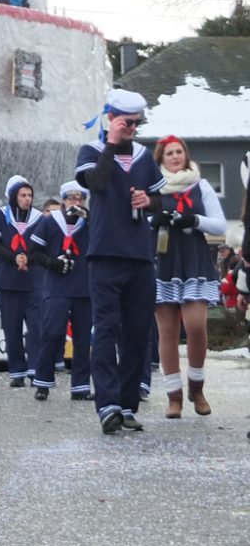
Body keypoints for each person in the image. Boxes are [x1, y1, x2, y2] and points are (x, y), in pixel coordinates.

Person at [75, 89, 165, 434]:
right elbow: (96, 183)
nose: (131, 128)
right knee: (107, 329)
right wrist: (111, 144)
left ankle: (127, 405)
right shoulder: (92, 151)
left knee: (137, 332)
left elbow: (160, 201)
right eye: (126, 122)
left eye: (135, 123)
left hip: (140, 256)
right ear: (111, 119)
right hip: (105, 255)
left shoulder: (144, 156)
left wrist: (149, 200)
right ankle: (107, 405)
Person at [149, 135, 226, 418]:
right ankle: (174, 397)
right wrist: (153, 220)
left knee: (195, 327)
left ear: (186, 154)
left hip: (194, 260)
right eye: (169, 152)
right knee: (167, 331)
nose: (175, 156)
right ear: (161, 157)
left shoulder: (200, 184)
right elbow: (139, 218)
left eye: (179, 151)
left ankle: (197, 387)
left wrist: (194, 220)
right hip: (164, 260)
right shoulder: (153, 187)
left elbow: (219, 224)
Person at [29, 182, 94, 401]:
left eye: (80, 198)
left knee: (84, 338)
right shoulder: (50, 221)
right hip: (57, 285)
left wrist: (90, 218)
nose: (75, 202)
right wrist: (52, 263)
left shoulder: (90, 222)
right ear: (63, 200)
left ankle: (81, 386)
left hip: (84, 285)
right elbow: (35, 252)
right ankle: (42, 380)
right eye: (71, 198)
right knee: (53, 332)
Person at [0, 175, 43, 386]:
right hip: (8, 280)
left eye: (30, 195)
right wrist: (14, 257)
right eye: (23, 195)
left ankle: (36, 369)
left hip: (33, 280)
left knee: (36, 327)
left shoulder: (39, 218)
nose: (27, 199)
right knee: (11, 329)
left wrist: (28, 257)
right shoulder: (1, 215)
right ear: (14, 197)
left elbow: (43, 245)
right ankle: (17, 372)